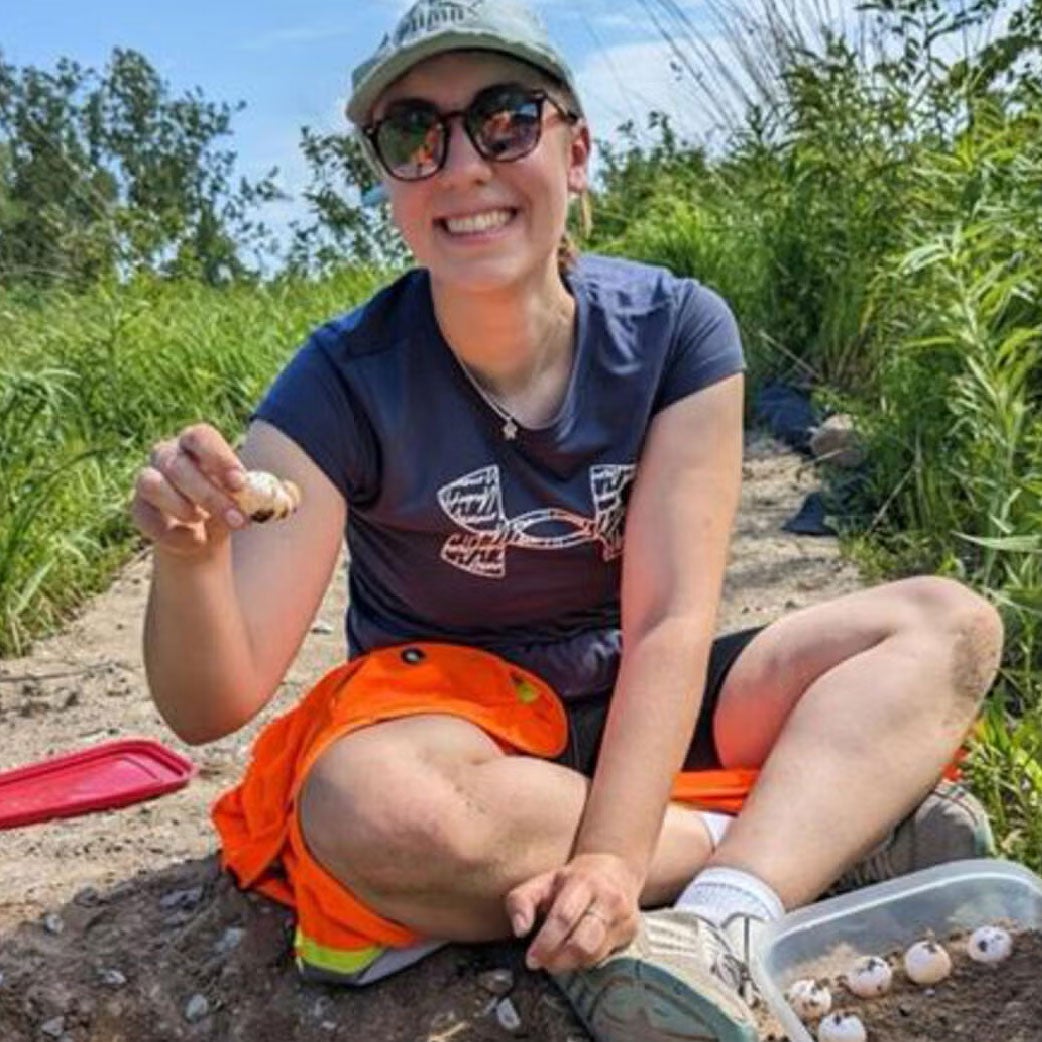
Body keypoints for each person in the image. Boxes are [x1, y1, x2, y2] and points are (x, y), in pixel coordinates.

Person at [130, 1, 1003, 1039]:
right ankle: (819, 842)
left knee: (944, 625)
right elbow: (211, 704)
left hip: (645, 694)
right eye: (415, 133)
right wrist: (189, 560)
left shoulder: (676, 330)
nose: (461, 164)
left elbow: (674, 618)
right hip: (461, 739)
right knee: (369, 805)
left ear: (575, 151)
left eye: (504, 119)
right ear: (390, 184)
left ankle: (713, 918)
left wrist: (606, 859)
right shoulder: (340, 379)